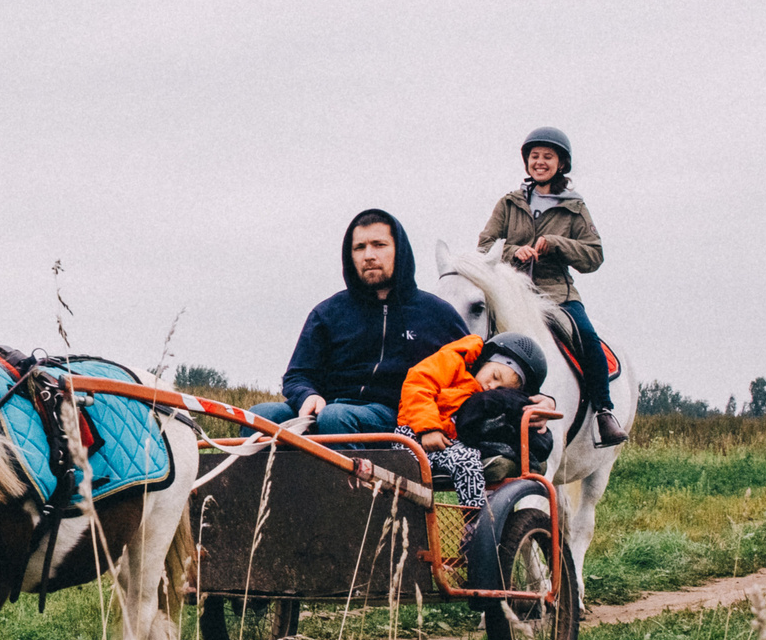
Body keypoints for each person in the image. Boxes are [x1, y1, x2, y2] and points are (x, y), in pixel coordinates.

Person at [254, 209, 467, 435]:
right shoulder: (327, 312)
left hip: (394, 415)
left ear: (399, 251)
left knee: (336, 416)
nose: (368, 255)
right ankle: (276, 472)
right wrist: (308, 395)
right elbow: (298, 374)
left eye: (379, 245)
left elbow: (466, 372)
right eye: (359, 247)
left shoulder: (437, 313)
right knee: (261, 415)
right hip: (324, 408)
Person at [478, 126, 626, 446]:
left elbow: (594, 256)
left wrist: (558, 244)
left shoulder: (574, 207)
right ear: (527, 162)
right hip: (510, 291)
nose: (540, 162)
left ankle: (603, 411)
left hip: (557, 293)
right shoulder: (509, 203)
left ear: (561, 164)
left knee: (587, 336)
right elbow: (484, 247)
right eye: (535, 156)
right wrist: (511, 252)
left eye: (548, 156)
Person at [396, 330, 548, 505]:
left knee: (468, 461)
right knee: (415, 476)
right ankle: (412, 518)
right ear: (485, 360)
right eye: (495, 376)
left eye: (500, 390)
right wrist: (428, 429)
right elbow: (418, 384)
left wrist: (546, 402)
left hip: (446, 442)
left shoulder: (481, 394)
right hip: (413, 436)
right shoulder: (454, 360)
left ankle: (476, 522)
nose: (491, 386)